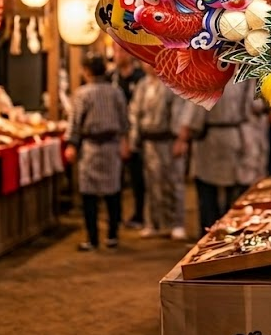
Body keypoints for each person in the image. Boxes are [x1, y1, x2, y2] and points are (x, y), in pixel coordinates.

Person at [182, 79, 268, 235]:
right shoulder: (245, 75)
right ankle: (233, 233)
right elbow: (256, 107)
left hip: (211, 140)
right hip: (238, 137)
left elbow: (196, 112)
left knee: (208, 192)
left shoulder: (208, 74)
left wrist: (187, 133)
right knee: (234, 191)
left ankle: (210, 236)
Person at [64, 54, 130, 251]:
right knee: (113, 192)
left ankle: (93, 238)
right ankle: (112, 236)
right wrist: (125, 142)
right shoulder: (116, 92)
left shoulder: (83, 93)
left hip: (91, 147)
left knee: (89, 194)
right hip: (112, 145)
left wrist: (71, 145)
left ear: (87, 71)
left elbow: (75, 122)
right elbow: (125, 121)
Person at [128, 65, 189, 240]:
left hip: (169, 139)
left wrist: (180, 139)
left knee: (174, 181)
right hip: (149, 140)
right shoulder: (142, 84)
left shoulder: (173, 82)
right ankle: (152, 223)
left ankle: (177, 223)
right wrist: (135, 139)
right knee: (151, 183)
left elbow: (179, 111)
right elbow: (134, 113)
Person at [111, 45, 146, 229]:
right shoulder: (111, 79)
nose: (118, 55)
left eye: (122, 51)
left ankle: (140, 214)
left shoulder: (141, 78)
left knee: (137, 177)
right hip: (114, 134)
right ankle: (115, 217)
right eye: (115, 51)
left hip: (136, 133)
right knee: (114, 178)